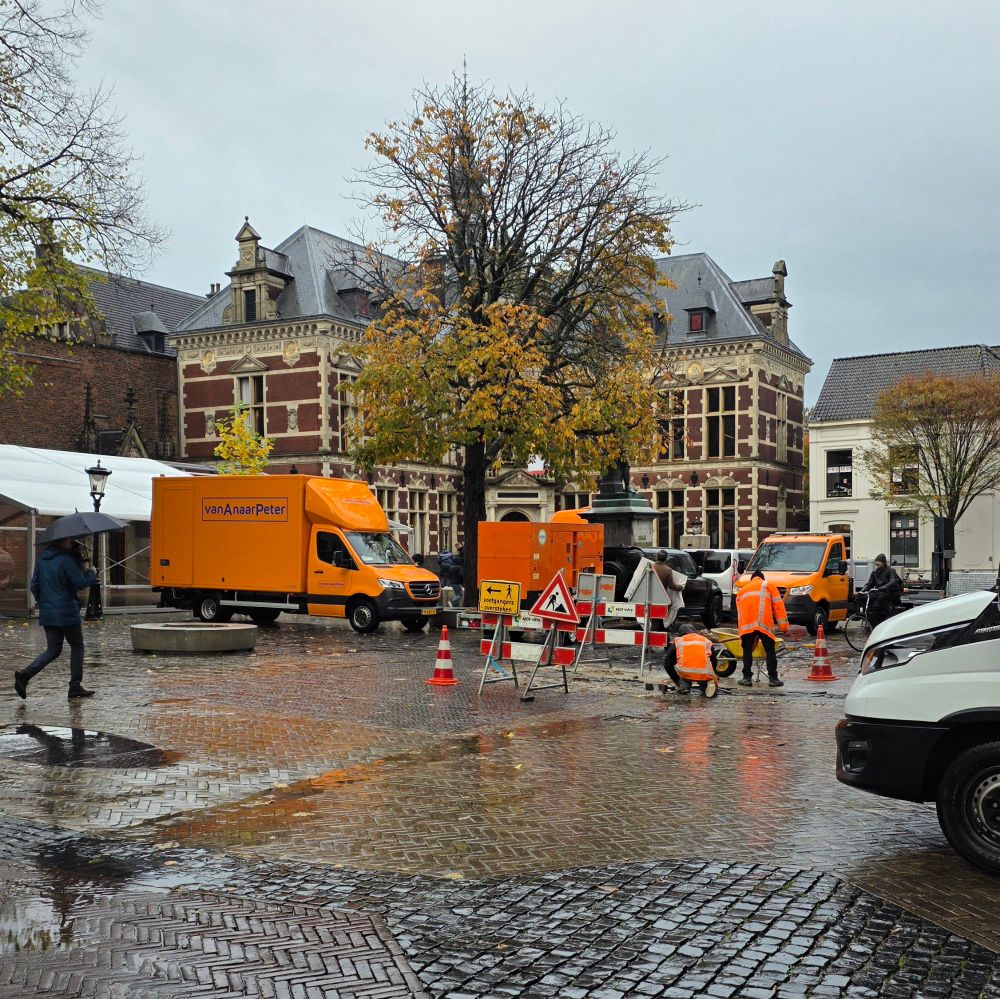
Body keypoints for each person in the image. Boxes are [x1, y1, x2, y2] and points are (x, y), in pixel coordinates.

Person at [15, 538, 98, 700]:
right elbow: (80, 582)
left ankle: (25, 675)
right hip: (67, 612)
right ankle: (75, 686)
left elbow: (34, 587)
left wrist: (45, 603)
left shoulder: (41, 561)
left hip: (49, 612)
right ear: (65, 542)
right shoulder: (66, 559)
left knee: (53, 649)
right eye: (71, 541)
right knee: (77, 646)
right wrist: (91, 573)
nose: (73, 544)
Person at [736, 569, 788, 688]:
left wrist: (741, 632)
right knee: (770, 651)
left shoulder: (743, 590)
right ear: (762, 578)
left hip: (747, 625)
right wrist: (784, 627)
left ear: (752, 578)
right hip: (764, 624)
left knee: (747, 651)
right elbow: (779, 607)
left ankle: (747, 678)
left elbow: (739, 614)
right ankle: (773, 679)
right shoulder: (769, 586)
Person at [663, 623, 718, 695]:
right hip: (704, 673)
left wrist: (676, 680)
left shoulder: (679, 641)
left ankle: (684, 686)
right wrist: (712, 675)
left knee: (682, 669)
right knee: (706, 678)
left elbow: (667, 664)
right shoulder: (706, 641)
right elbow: (714, 661)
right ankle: (707, 686)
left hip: (685, 673)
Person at [861, 553, 902, 627]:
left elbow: (892, 581)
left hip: (892, 592)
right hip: (880, 592)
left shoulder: (891, 570)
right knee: (869, 600)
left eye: (878, 561)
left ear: (883, 562)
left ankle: (883, 621)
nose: (876, 563)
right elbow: (869, 583)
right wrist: (862, 591)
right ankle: (872, 621)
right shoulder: (875, 572)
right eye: (876, 562)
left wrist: (882, 588)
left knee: (880, 601)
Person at [652, 550, 686, 629]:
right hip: (661, 599)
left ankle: (652, 636)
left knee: (652, 619)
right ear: (666, 559)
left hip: (648, 597)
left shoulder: (650, 567)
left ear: (657, 557)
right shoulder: (667, 570)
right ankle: (659, 637)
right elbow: (671, 586)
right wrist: (680, 587)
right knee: (660, 620)